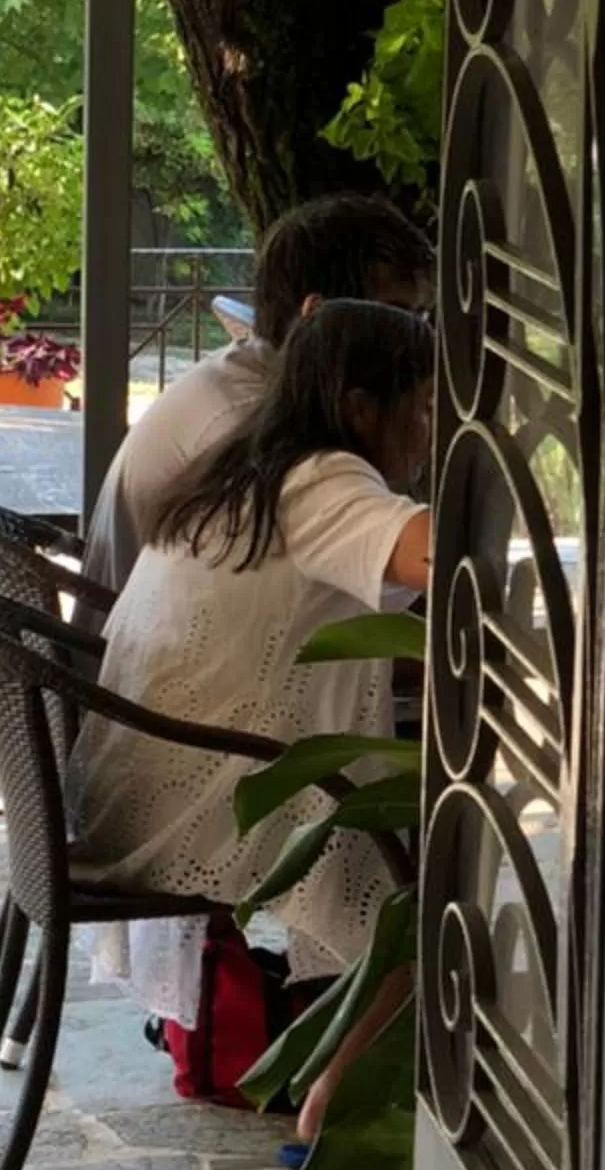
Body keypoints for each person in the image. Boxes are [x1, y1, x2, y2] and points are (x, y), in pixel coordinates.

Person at [71, 303, 433, 1115]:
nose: (432, 429)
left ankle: (327, 1073)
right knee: (427, 887)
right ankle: (333, 1103)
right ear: (361, 408)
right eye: (426, 405)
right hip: (202, 796)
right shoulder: (325, 481)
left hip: (145, 781)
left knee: (402, 839)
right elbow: (449, 556)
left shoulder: (253, 464)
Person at [79, 194, 435, 595]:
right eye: (400, 315)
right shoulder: (253, 428)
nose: (419, 339)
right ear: (316, 315)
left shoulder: (250, 383)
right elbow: (432, 560)